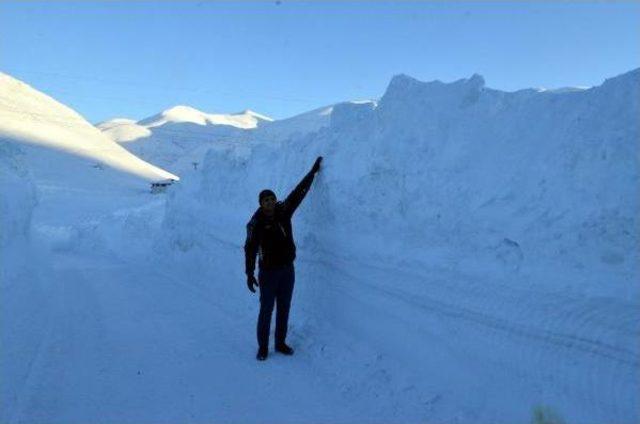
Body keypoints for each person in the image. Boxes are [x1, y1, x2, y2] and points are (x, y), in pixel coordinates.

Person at [244, 156, 323, 361]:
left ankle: (279, 343)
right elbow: (249, 248)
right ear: (261, 204)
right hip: (268, 273)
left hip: (288, 270)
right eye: (266, 200)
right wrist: (249, 272)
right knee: (266, 309)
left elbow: (298, 193)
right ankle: (263, 347)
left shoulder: (283, 212)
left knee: (284, 307)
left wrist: (312, 173)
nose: (270, 202)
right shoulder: (255, 224)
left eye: (272, 199)